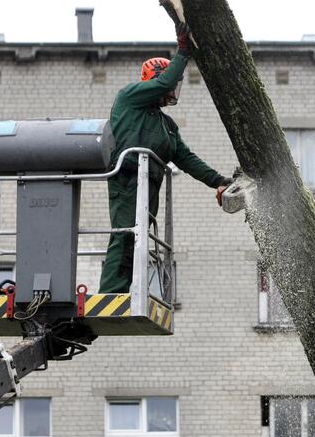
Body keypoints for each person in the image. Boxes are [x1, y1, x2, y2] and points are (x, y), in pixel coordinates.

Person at [99, 25, 231, 294]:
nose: (173, 90)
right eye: (170, 83)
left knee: (138, 239)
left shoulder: (166, 125)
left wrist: (218, 180)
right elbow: (163, 83)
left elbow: (186, 158)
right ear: (156, 79)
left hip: (150, 187)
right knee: (125, 234)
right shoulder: (129, 98)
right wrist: (183, 52)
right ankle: (111, 291)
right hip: (127, 180)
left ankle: (123, 291)